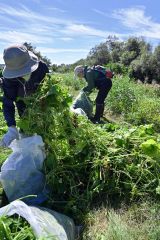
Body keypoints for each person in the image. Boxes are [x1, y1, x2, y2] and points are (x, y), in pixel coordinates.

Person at [0, 44, 49, 147]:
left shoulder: (42, 68)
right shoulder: (9, 79)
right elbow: (8, 101)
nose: (21, 74)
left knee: (44, 132)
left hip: (41, 105)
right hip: (22, 106)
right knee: (26, 131)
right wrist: (11, 126)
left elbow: (48, 90)